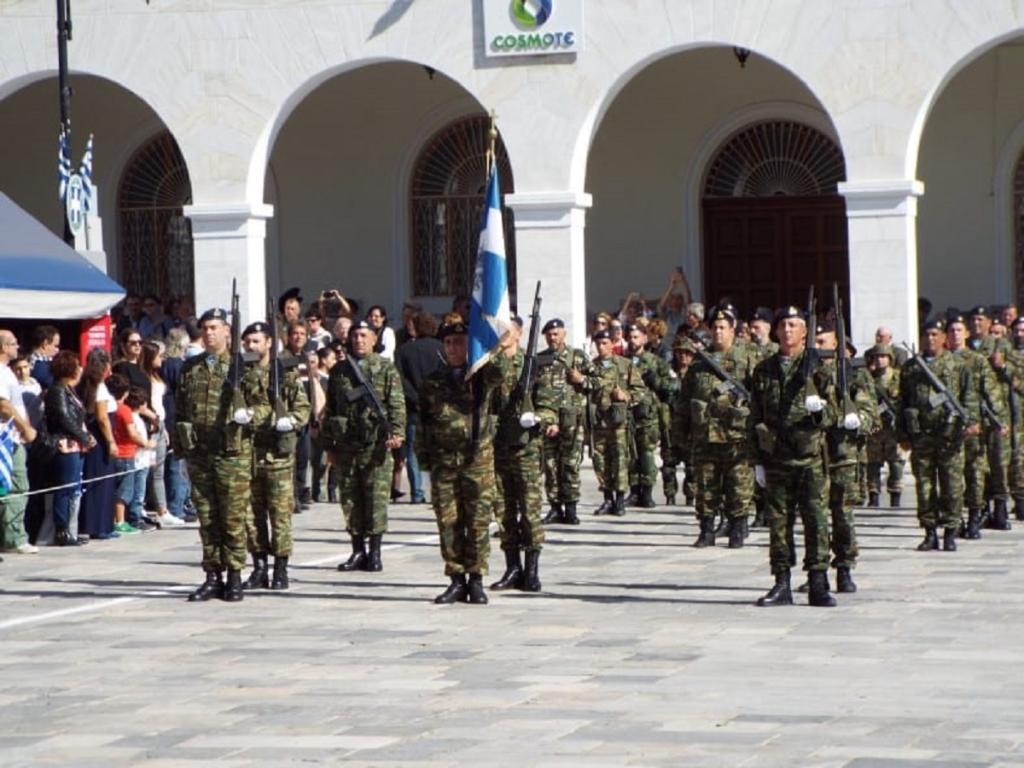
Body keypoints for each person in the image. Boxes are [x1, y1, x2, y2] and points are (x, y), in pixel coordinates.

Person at [419, 320, 513, 604]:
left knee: (477, 522)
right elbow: (424, 424)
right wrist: (424, 464)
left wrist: (496, 347)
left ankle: (476, 579)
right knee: (448, 522)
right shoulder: (433, 380)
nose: (452, 348)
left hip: (477, 460)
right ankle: (456, 578)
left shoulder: (481, 376)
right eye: (447, 343)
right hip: (444, 462)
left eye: (458, 342)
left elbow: (500, 373)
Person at [750, 305, 838, 608]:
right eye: (783, 325)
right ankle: (782, 582)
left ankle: (818, 582)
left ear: (805, 332)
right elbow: (755, 415)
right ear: (775, 332)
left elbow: (837, 414)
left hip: (810, 457)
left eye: (794, 325)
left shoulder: (819, 368)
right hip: (776, 458)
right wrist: (756, 460)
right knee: (778, 523)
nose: (787, 330)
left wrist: (820, 411)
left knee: (815, 521)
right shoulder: (764, 370)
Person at [175, 307, 265, 603]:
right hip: (200, 453)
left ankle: (236, 575)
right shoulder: (191, 367)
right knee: (207, 517)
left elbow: (265, 406)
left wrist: (247, 414)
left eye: (215, 327)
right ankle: (213, 575)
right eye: (205, 328)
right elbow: (180, 411)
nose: (209, 333)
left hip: (232, 454)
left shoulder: (244, 367)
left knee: (233, 518)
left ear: (227, 331)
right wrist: (182, 451)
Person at [322, 320, 405, 573]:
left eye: (363, 335)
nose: (358, 340)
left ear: (373, 338)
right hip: (347, 446)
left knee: (376, 500)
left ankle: (375, 552)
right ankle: (358, 550)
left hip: (375, 445)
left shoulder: (385, 368)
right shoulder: (339, 371)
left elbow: (397, 404)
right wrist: (330, 447)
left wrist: (397, 433)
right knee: (350, 500)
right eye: (355, 335)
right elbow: (331, 410)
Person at [676, 304, 757, 548]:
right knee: (705, 485)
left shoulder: (748, 358)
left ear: (733, 329)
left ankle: (738, 527)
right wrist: (680, 434)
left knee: (738, 483)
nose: (719, 332)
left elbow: (759, 395)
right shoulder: (701, 363)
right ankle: (707, 529)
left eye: (723, 327)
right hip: (705, 435)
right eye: (715, 328)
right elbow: (684, 400)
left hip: (737, 435)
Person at [240, 321, 310, 591]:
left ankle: (281, 568)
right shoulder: (241, 373)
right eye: (247, 342)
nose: (251, 346)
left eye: (256, 341)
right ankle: (259, 567)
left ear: (269, 342)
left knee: (280, 515)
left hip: (277, 456)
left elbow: (302, 408)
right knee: (251, 516)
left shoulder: (284, 372)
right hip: (248, 454)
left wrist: (289, 420)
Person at [898, 316, 979, 552]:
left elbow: (969, 396)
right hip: (921, 435)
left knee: (952, 486)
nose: (931, 339)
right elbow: (901, 402)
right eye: (927, 334)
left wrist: (971, 421)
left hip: (949, 435)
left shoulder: (957, 365)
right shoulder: (911, 367)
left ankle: (951, 532)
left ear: (944, 338)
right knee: (924, 487)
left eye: (935, 334)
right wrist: (902, 434)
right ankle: (929, 532)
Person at [814, 320, 876, 594]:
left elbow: (871, 413)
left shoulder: (854, 372)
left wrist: (856, 419)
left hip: (843, 454)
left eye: (822, 342)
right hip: (813, 454)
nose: (817, 348)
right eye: (814, 342)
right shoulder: (806, 372)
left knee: (842, 515)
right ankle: (817, 569)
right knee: (815, 516)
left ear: (836, 343)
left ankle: (844, 568)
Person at [491, 318, 545, 591]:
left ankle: (532, 570)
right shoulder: (491, 365)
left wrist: (538, 417)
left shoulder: (533, 365)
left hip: (526, 448)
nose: (503, 334)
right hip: (499, 445)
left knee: (530, 508)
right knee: (504, 509)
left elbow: (549, 403)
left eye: (508, 330)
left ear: (520, 333)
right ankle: (513, 567)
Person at [946, 310, 1002, 537]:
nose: (955, 334)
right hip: (948, 426)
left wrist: (999, 419)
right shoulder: (942, 360)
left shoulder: (977, 360)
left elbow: (991, 391)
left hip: (974, 424)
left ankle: (974, 516)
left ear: (967, 333)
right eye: (951, 331)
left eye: (959, 330)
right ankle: (954, 518)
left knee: (975, 472)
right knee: (952, 475)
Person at [535, 318, 594, 525]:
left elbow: (599, 382)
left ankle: (571, 507)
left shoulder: (577, 357)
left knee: (570, 464)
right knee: (550, 466)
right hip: (547, 421)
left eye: (556, 334)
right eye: (549, 335)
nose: (552, 338)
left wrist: (583, 380)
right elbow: (533, 391)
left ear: (564, 334)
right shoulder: (540, 359)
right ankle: (554, 507)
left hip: (571, 421)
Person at [590, 329, 646, 516]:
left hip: (619, 422)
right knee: (601, 461)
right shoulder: (592, 367)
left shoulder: (625, 365)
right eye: (598, 343)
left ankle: (620, 499)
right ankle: (607, 498)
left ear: (612, 344)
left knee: (620, 460)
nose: (601, 346)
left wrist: (626, 396)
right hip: (599, 422)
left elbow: (640, 391)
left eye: (605, 343)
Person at [45, 351, 96, 546]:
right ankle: (61, 530)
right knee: (64, 488)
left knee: (74, 487)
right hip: (65, 443)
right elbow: (63, 418)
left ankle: (70, 528)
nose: (80, 369)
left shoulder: (69, 390)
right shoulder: (57, 390)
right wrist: (83, 436)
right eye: (77, 366)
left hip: (76, 445)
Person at [395, 310, 444, 505]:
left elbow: (400, 379)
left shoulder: (404, 350)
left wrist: (415, 398)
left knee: (413, 451)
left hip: (414, 407)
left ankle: (417, 492)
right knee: (439, 449)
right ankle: (438, 490)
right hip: (438, 406)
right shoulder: (441, 348)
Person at [624, 322, 674, 509]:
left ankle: (647, 491)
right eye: (630, 337)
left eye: (636, 337)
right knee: (631, 454)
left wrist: (656, 381)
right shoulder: (622, 361)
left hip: (648, 416)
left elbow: (672, 385)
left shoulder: (655, 361)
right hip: (628, 414)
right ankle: (634, 490)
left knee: (646, 454)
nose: (632, 340)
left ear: (645, 338)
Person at [0, 330, 38, 555]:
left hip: (13, 436)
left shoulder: (7, 372)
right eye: (13, 343)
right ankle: (14, 537)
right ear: (3, 347)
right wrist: (25, 427)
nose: (17, 346)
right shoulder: (2, 373)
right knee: (16, 485)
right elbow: (3, 405)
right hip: (7, 438)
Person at [75, 348, 118, 540]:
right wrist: (111, 442)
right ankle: (98, 525)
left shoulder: (84, 384)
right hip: (100, 439)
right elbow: (102, 417)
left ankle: (97, 523)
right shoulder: (99, 386)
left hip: (92, 436)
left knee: (96, 480)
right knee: (101, 481)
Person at [140, 341, 182, 528]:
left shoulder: (158, 375)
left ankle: (162, 510)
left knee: (159, 470)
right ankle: (144, 507)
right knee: (146, 470)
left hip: (161, 423)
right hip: (151, 423)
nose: (162, 359)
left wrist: (163, 428)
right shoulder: (143, 377)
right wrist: (154, 422)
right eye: (158, 356)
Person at [111, 381, 157, 535]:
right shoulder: (127, 413)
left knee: (131, 490)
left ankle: (126, 518)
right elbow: (133, 435)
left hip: (134, 457)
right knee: (130, 491)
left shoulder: (123, 412)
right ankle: (130, 518)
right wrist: (146, 444)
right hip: (132, 457)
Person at [864, 344, 905, 508]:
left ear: (890, 359)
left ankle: (895, 495)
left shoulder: (898, 377)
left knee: (896, 462)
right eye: (877, 357)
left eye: (883, 356)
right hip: (875, 426)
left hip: (893, 427)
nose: (880, 360)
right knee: (873, 462)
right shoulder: (869, 378)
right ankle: (873, 495)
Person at [162, 328, 193, 521]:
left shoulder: (165, 363)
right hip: (175, 415)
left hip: (170, 414)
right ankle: (177, 505)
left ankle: (180, 503)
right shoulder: (176, 365)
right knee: (177, 462)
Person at [657, 268, 692, 341]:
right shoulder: (667, 314)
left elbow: (689, 302)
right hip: (668, 343)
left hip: (682, 342)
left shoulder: (684, 313)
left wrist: (684, 282)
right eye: (673, 298)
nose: (675, 301)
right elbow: (661, 306)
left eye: (678, 298)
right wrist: (671, 286)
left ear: (682, 301)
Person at [28, 325, 60, 389]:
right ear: (45, 344)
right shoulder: (39, 364)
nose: (58, 350)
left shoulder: (30, 360)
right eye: (55, 346)